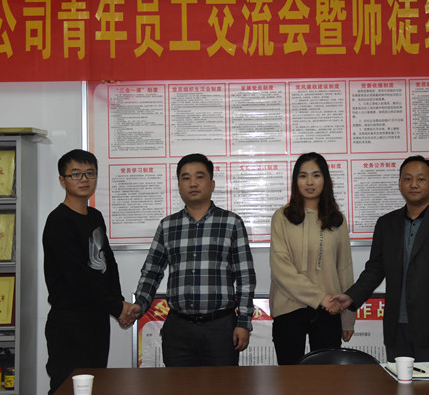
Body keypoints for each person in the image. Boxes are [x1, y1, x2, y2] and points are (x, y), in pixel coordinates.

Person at [333, 155, 429, 363]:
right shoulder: (386, 223)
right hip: (396, 328)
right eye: (408, 179)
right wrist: (351, 297)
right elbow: (375, 270)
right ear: (400, 183)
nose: (414, 184)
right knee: (400, 381)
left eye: (421, 179)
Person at [130, 153, 257, 366]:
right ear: (179, 185)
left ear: (212, 184)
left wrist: (244, 322)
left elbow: (245, 277)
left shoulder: (231, 223)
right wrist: (140, 304)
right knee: (178, 384)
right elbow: (152, 272)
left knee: (223, 383)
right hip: (178, 328)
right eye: (186, 178)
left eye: (199, 177)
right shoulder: (167, 225)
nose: (193, 183)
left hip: (220, 327)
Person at [42, 149, 134, 395]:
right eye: (76, 174)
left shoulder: (94, 216)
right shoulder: (59, 221)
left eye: (90, 173)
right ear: (62, 180)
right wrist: (116, 307)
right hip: (70, 323)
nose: (84, 179)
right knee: (67, 387)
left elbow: (108, 263)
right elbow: (77, 277)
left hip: (97, 319)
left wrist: (118, 302)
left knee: (94, 385)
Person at [269, 152, 356, 365]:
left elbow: (344, 268)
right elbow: (281, 268)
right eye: (303, 176)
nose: (309, 182)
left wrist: (348, 319)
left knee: (326, 379)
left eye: (316, 175)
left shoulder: (337, 219)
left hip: (329, 310)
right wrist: (320, 297)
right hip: (289, 309)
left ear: (325, 179)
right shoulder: (282, 217)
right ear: (295, 180)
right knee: (289, 378)